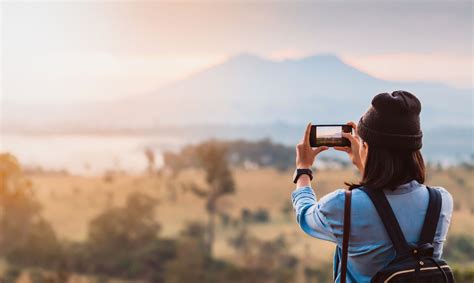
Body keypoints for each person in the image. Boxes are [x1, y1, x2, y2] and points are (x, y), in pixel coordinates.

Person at [291, 91, 453, 283]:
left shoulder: (345, 205)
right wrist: (364, 163)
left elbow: (305, 215)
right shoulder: (441, 201)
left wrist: (303, 169)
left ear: (366, 147)